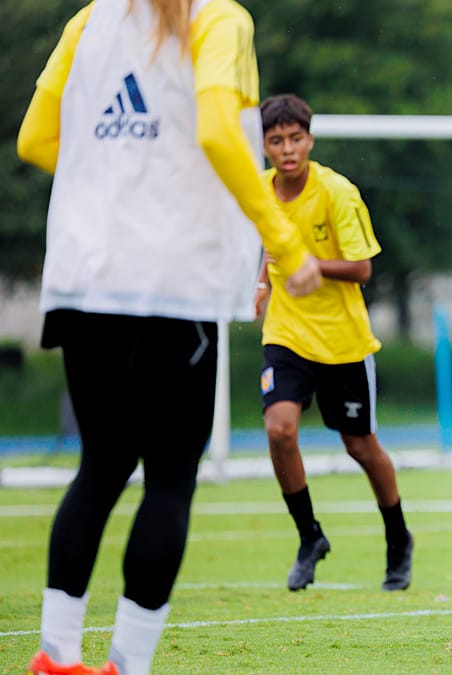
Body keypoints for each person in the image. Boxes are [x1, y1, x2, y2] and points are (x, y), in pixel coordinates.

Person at [15, 0, 322, 672]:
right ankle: (128, 662)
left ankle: (57, 654)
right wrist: (285, 243)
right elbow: (216, 130)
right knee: (169, 481)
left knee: (99, 466)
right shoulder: (219, 18)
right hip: (170, 283)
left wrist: (115, 182)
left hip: (83, 279)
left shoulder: (89, 20)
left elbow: (35, 140)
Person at [254, 93, 414, 593]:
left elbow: (362, 268)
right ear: (264, 146)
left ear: (310, 140)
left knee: (361, 447)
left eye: (295, 139)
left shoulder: (337, 192)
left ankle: (398, 538)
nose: (287, 149)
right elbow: (265, 242)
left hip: (342, 342)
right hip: (285, 333)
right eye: (276, 141)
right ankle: (310, 537)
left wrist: (308, 265)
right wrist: (263, 282)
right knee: (280, 430)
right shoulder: (258, 189)